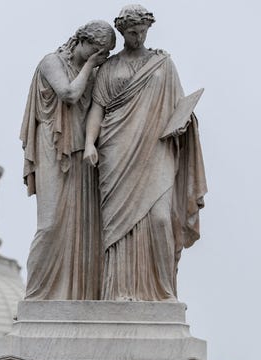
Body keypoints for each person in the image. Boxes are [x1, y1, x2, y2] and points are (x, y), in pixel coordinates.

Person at [84, 5, 207, 301]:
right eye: (130, 32)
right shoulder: (109, 68)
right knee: (118, 227)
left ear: (149, 29)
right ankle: (119, 291)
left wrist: (183, 123)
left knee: (161, 220)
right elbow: (97, 109)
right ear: (122, 33)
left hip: (156, 148)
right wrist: (89, 143)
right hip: (116, 150)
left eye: (140, 31)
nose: (136, 37)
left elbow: (179, 106)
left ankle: (163, 293)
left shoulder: (163, 64)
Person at [21, 21, 116, 300]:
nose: (101, 59)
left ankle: (76, 295)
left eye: (106, 54)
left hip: (81, 152)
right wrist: (91, 65)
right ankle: (36, 296)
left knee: (81, 227)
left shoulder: (95, 74)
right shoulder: (51, 62)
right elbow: (69, 94)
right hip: (52, 144)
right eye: (97, 51)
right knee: (50, 224)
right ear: (81, 42)